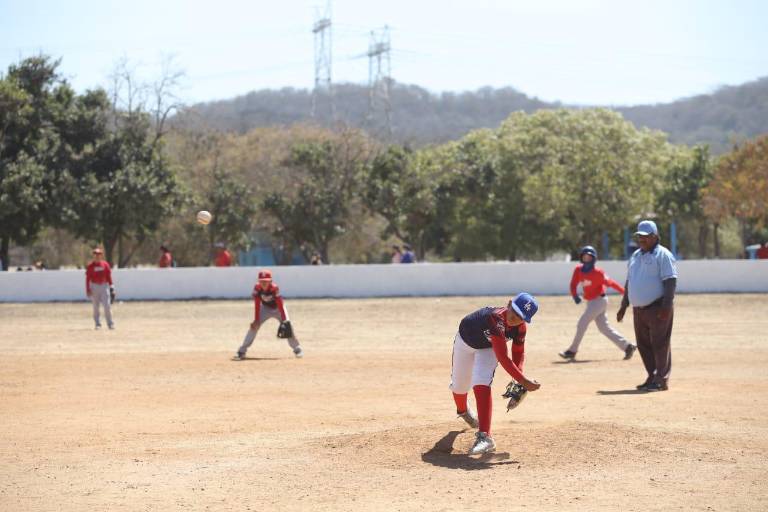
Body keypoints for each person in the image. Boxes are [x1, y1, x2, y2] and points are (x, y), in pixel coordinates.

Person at [449, 293, 541, 455]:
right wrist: (523, 381)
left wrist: (518, 380)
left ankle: (485, 437)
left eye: (521, 317)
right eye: (515, 311)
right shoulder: (495, 319)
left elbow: (518, 352)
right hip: (465, 342)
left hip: (488, 348)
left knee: (481, 381)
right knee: (459, 386)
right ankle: (463, 411)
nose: (515, 318)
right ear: (509, 303)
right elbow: (503, 357)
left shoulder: (520, 329)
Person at [617, 220, 678, 392]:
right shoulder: (636, 255)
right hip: (639, 310)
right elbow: (630, 281)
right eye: (639, 237)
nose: (641, 240)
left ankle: (661, 380)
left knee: (660, 344)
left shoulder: (663, 255)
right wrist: (624, 304)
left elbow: (670, 281)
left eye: (645, 237)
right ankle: (652, 376)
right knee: (643, 345)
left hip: (657, 307)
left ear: (654, 236)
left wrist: (666, 306)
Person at [558, 245, 636, 360]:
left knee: (582, 323)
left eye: (589, 257)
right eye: (584, 256)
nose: (586, 259)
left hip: (599, 301)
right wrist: (575, 296)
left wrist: (625, 293)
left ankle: (572, 350)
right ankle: (627, 346)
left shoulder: (598, 273)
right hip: (591, 302)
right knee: (604, 328)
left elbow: (612, 283)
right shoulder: (578, 270)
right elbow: (573, 284)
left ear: (593, 258)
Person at [233, 269, 304, 360]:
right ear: (258, 281)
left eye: (266, 281)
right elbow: (257, 304)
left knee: (288, 327)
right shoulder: (257, 288)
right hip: (265, 309)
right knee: (254, 327)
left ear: (270, 281)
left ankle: (297, 349)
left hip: (278, 309)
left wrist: (285, 320)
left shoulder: (274, 288)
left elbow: (280, 304)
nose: (264, 283)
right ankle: (241, 351)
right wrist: (256, 320)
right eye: (261, 281)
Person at [85, 248, 115, 330]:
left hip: (104, 286)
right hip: (94, 286)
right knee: (96, 306)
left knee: (107, 305)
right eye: (95, 254)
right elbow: (88, 278)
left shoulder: (105, 265)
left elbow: (109, 276)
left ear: (101, 256)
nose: (97, 256)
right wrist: (88, 289)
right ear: (93, 256)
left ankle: (110, 323)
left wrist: (112, 287)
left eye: (99, 254)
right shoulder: (90, 266)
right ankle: (97, 323)